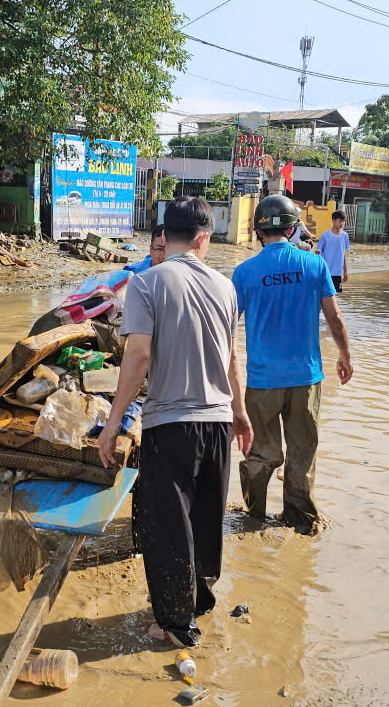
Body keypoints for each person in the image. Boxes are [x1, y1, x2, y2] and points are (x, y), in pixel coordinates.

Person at [97, 196, 253, 648]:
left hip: (170, 422)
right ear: (204, 238)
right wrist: (241, 413)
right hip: (218, 421)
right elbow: (232, 359)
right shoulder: (226, 288)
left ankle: (176, 625)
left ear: (165, 236)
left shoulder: (147, 283)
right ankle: (199, 603)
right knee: (205, 517)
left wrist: (112, 423)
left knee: (168, 524)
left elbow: (138, 355)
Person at [233, 195, 353, 535]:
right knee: (302, 452)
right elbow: (334, 317)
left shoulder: (244, 273)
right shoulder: (314, 265)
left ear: (259, 231)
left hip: (262, 382)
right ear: (292, 229)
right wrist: (345, 356)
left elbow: (226, 328)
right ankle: (299, 521)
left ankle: (254, 517)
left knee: (260, 452)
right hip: (306, 378)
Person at [315, 210, 352, 293]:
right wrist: (315, 270)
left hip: (338, 273)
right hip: (325, 271)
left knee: (335, 295)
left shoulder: (345, 236)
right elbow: (317, 253)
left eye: (343, 221)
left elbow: (343, 255)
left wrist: (345, 272)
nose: (342, 223)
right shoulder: (325, 235)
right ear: (333, 221)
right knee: (324, 294)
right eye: (340, 221)